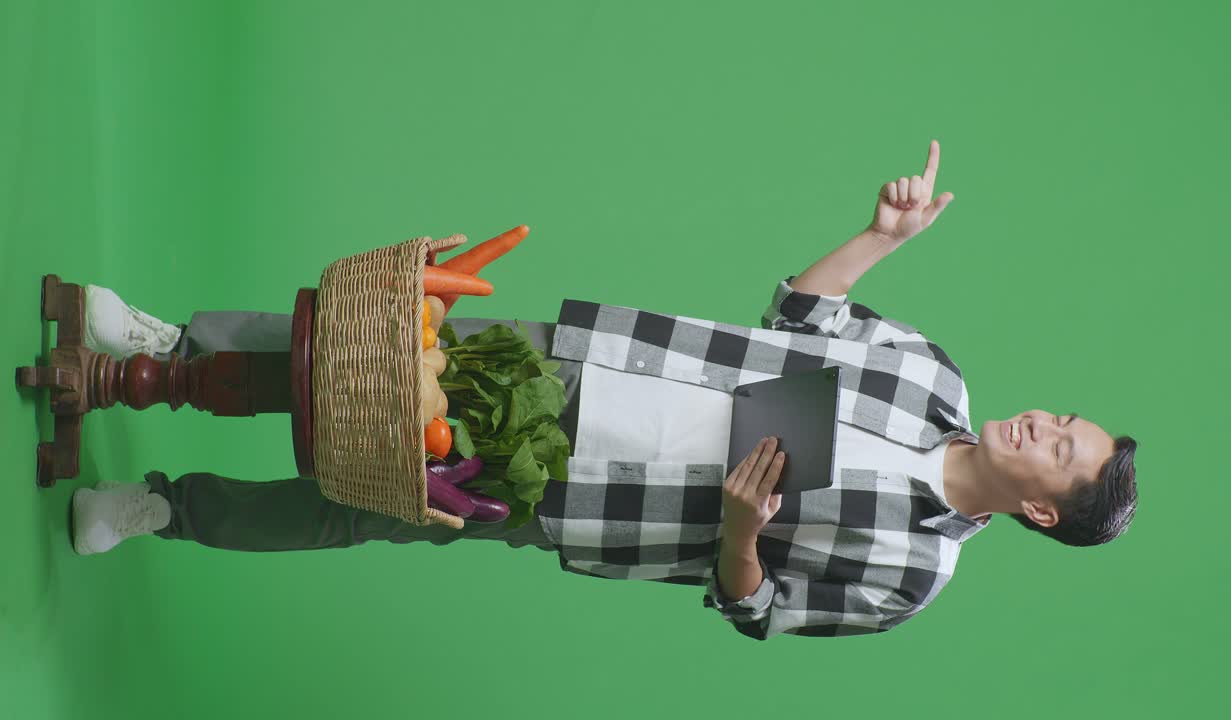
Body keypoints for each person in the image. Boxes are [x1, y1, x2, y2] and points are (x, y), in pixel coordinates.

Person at [70, 139, 1138, 641]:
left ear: (1041, 508)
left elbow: (753, 609)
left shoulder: (912, 576)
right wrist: (878, 238)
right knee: (384, 350)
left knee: (364, 505)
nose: (1041, 422)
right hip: (605, 364)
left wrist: (738, 530)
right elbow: (801, 320)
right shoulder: (930, 376)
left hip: (581, 493)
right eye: (1059, 419)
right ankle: (168, 343)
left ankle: (162, 507)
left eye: (1058, 448)